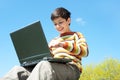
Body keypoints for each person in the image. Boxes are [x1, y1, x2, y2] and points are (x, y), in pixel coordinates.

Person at [0, 7, 89, 80]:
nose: (58, 26)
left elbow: (85, 52)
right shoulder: (53, 40)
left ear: (68, 20)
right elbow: (48, 58)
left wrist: (63, 44)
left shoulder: (76, 35)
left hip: (71, 68)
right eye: (55, 24)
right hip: (53, 66)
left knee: (44, 66)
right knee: (18, 70)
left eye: (60, 22)